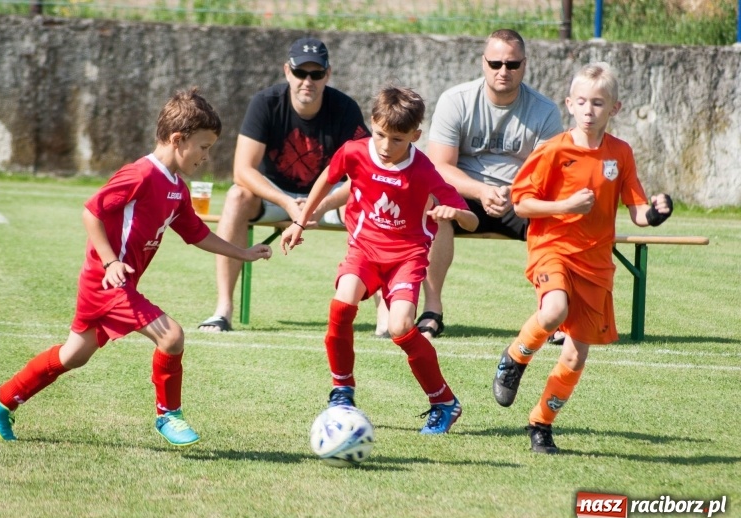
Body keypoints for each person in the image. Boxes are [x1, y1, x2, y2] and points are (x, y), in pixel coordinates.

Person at [0, 88, 273, 447]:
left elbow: (196, 234)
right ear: (178, 140)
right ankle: (169, 416)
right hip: (107, 283)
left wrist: (244, 253)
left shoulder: (177, 187)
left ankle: (2, 400)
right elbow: (92, 211)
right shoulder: (140, 175)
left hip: (113, 284)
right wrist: (111, 261)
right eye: (204, 147)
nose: (207, 157)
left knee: (74, 355)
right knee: (172, 336)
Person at [491, 63, 673, 453]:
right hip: (552, 248)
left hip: (596, 263)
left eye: (599, 103)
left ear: (615, 108)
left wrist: (655, 214)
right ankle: (515, 357)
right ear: (569, 104)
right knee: (554, 310)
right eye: (583, 102)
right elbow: (521, 205)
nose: (589, 110)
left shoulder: (620, 153)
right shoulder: (553, 150)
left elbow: (637, 209)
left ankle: (540, 424)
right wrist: (566, 204)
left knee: (575, 356)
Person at [280, 86, 478, 434]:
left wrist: (457, 215)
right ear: (372, 123)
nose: (387, 147)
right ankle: (342, 390)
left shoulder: (424, 170)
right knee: (342, 303)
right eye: (381, 135)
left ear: (416, 135)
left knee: (401, 327)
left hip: (407, 256)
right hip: (364, 249)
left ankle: (443, 400)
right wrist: (299, 221)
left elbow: (471, 219)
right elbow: (326, 180)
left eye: (398, 139)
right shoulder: (354, 152)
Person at [198, 37, 371, 333]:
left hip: (327, 199)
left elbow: (364, 175)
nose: (308, 81)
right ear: (287, 71)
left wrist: (321, 205)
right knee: (237, 195)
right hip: (275, 198)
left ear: (327, 74)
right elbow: (242, 170)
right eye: (300, 72)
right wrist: (288, 204)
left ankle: (387, 319)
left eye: (316, 74)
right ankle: (222, 310)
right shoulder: (265, 103)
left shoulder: (345, 108)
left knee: (369, 198)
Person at [416, 28, 564, 341]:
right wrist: (482, 191)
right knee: (435, 208)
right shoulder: (455, 101)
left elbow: (544, 173)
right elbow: (439, 167)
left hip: (519, 200)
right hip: (466, 196)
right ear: (483, 63)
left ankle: (552, 316)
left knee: (556, 220)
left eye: (512, 64)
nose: (503, 71)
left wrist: (512, 193)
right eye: (495, 63)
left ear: (525, 65)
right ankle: (432, 311)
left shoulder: (545, 110)